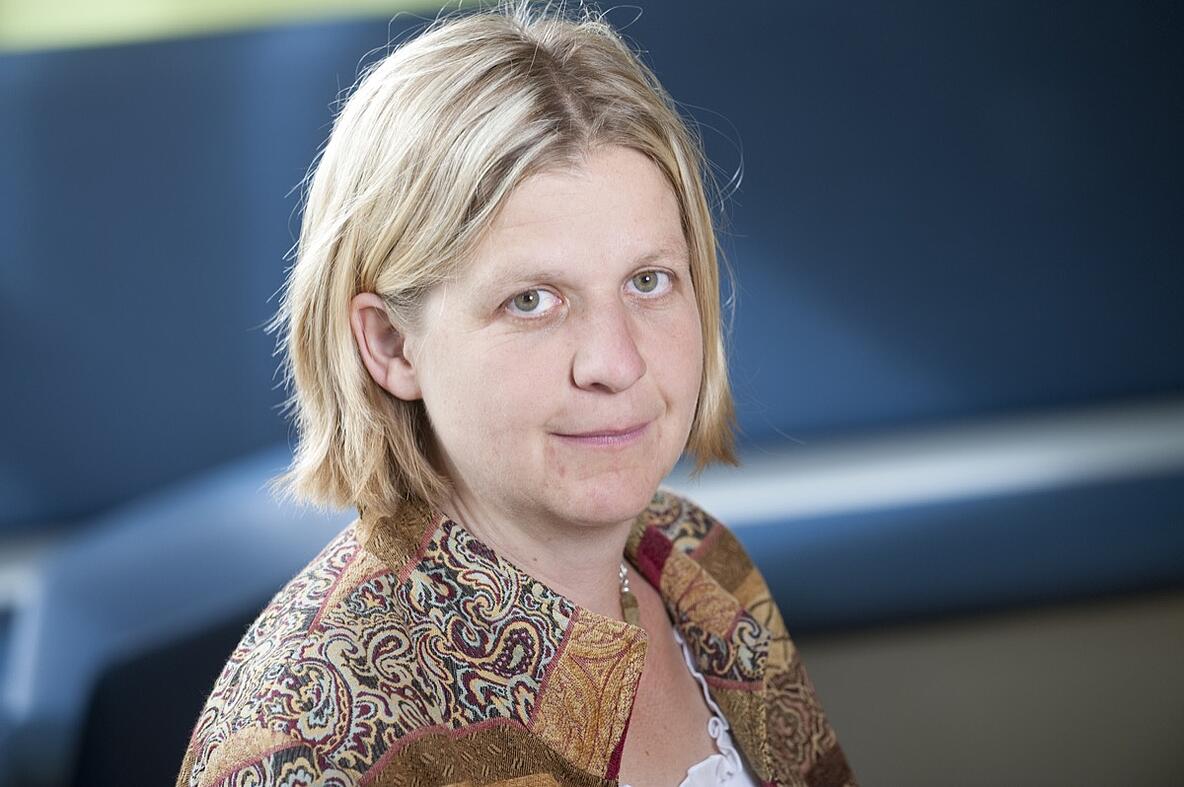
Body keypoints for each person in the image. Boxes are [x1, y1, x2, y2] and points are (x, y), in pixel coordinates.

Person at [176, 2, 855, 785]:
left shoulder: (701, 559)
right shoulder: (308, 741)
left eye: (648, 280)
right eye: (532, 300)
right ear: (391, 345)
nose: (615, 362)